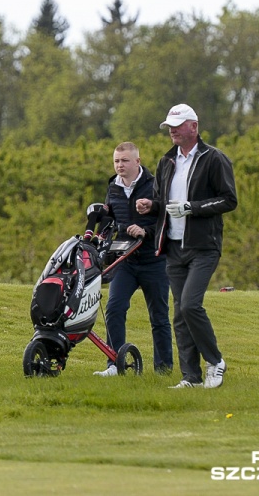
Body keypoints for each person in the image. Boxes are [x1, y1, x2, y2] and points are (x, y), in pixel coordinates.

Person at [135, 104, 238, 389]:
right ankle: (190, 377)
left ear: (194, 126)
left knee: (191, 305)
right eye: (170, 126)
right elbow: (162, 201)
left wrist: (191, 208)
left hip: (204, 246)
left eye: (178, 125)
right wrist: (150, 205)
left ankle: (215, 362)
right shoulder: (166, 161)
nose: (172, 130)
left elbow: (229, 200)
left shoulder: (214, 159)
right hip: (173, 246)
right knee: (180, 313)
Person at [93, 142, 172, 377]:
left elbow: (166, 217)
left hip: (154, 259)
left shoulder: (154, 185)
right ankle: (114, 365)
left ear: (137, 161)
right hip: (125, 261)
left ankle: (164, 369)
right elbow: (111, 221)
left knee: (159, 316)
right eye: (117, 161)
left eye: (125, 161)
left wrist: (146, 232)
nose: (120, 165)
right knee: (115, 308)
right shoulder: (113, 187)